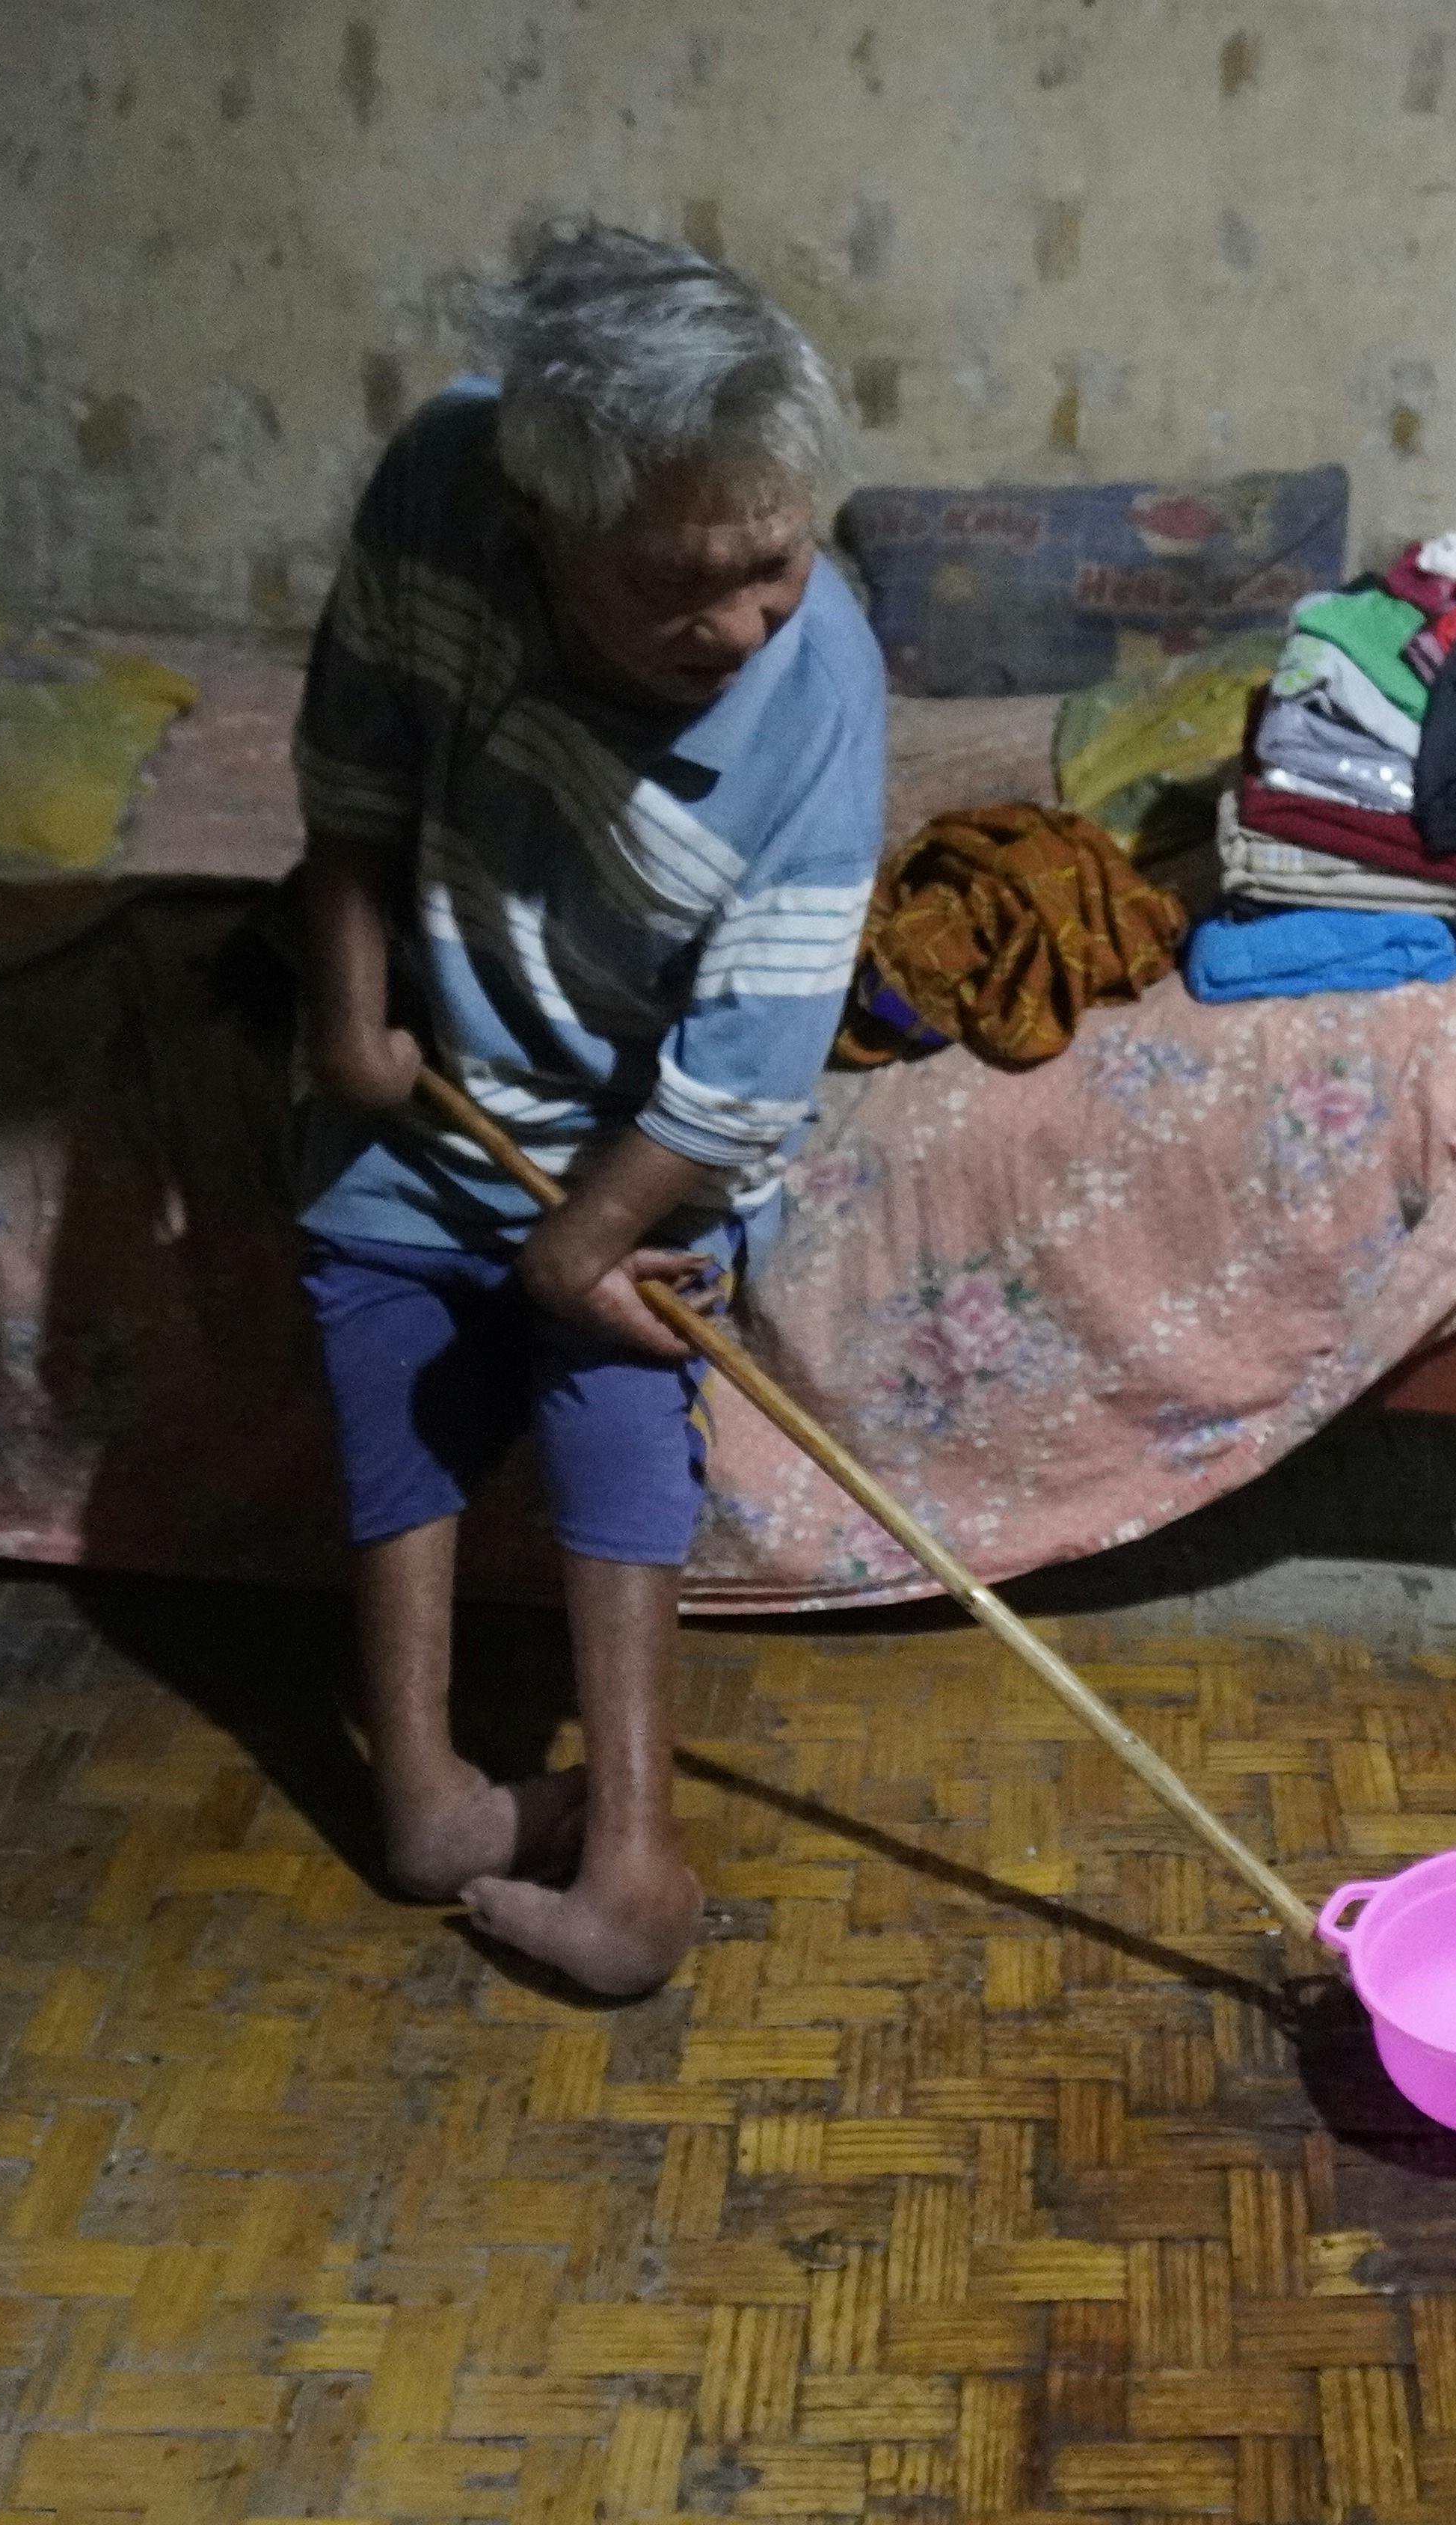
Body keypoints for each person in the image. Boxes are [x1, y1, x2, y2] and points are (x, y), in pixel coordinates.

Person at [288, 222, 881, 1994]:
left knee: (619, 1370)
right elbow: (353, 770)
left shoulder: (820, 693)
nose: (741, 621)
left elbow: (745, 1071)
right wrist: (348, 1013)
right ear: (543, 525)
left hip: (645, 1126)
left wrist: (577, 1248)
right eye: (677, 585)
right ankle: (423, 1796)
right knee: (380, 1320)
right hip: (436, 1073)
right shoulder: (441, 485)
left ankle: (634, 1862)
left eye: (772, 561)